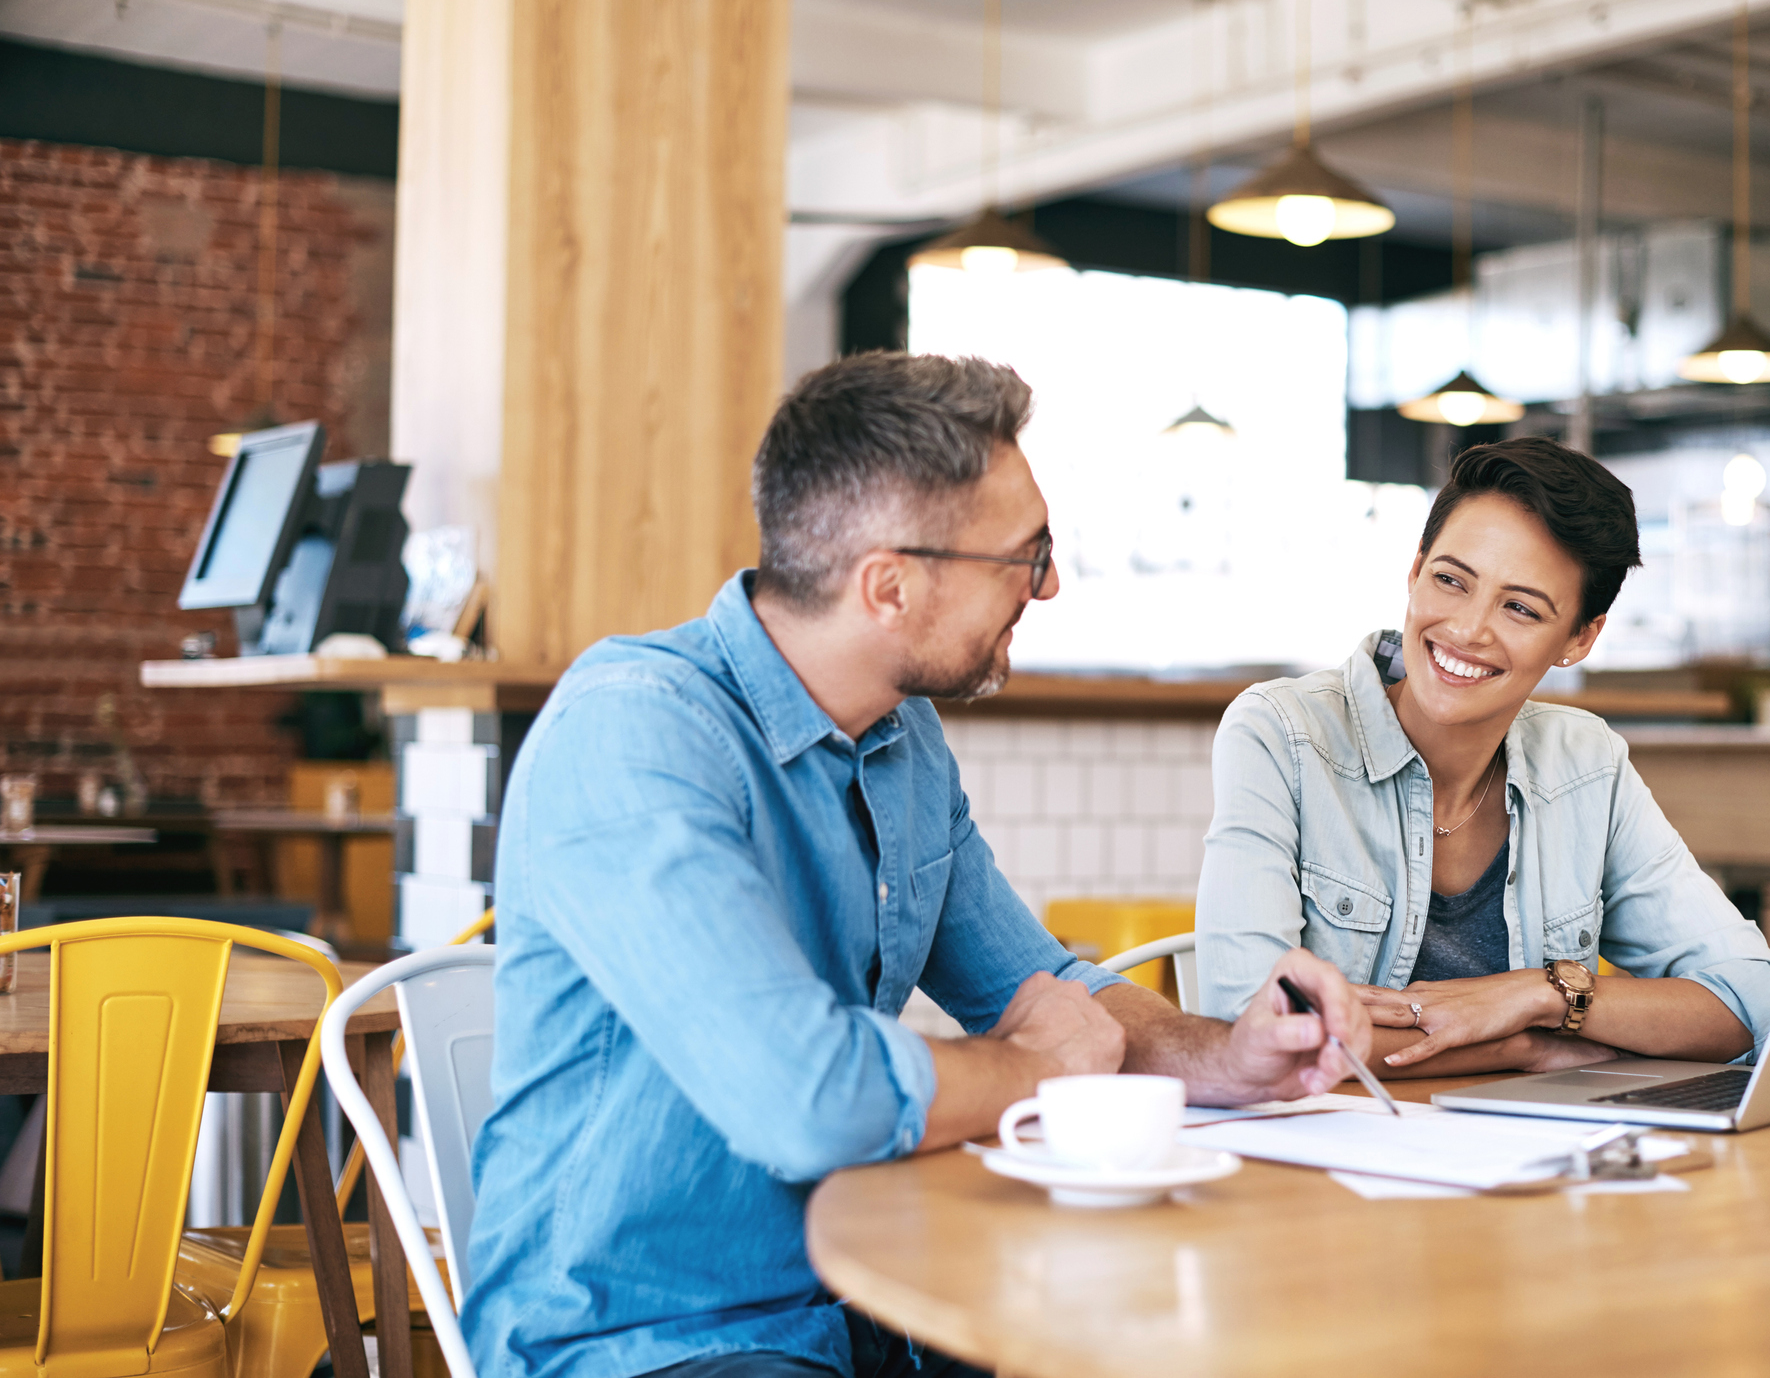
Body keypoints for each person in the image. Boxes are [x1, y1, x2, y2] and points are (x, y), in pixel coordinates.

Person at [463, 352, 1370, 1378]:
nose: (1051, 583)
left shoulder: (902, 738)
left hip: (871, 1293)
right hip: (644, 1338)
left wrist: (1227, 1057)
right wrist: (1030, 1067)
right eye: (1025, 556)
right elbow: (809, 1099)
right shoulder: (633, 736)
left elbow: (1043, 990)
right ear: (889, 585)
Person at [1195, 438, 1770, 1077]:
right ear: (1415, 570)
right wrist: (1521, 1046)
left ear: (1580, 638)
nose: (1468, 630)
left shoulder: (1588, 764)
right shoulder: (1281, 734)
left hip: (1538, 1158)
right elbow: (1254, 1033)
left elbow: (1758, 1000)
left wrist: (1539, 995)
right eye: (1450, 580)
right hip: (1329, 1155)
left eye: (1520, 608)